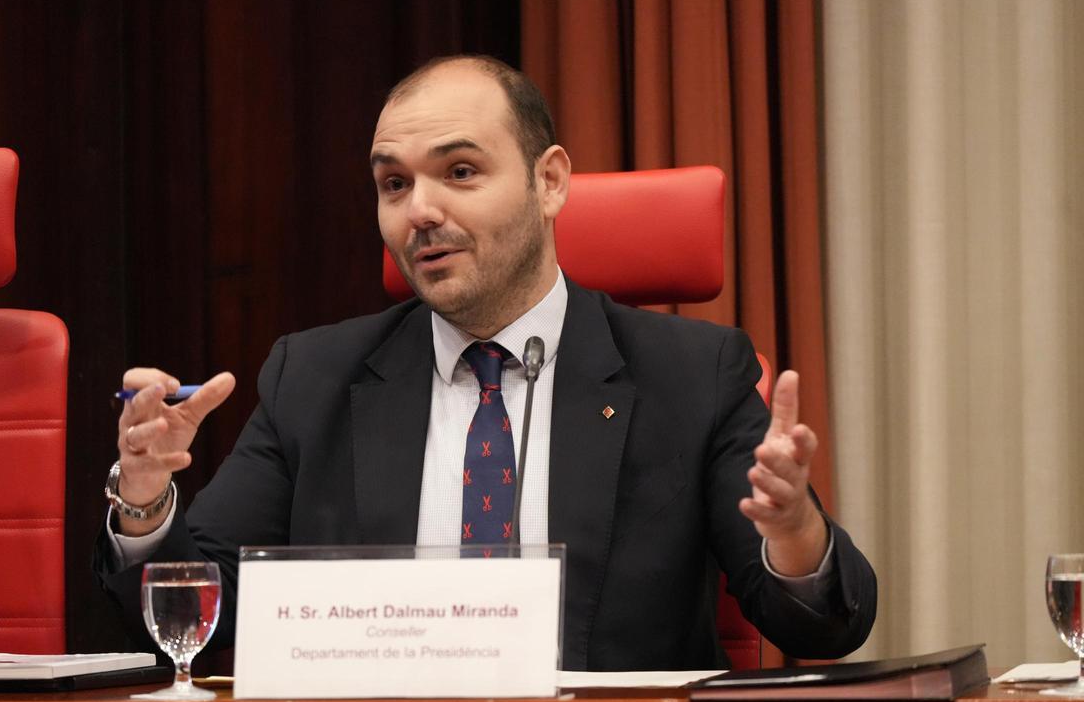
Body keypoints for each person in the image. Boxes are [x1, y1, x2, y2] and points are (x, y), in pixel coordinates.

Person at [95, 55, 876, 670]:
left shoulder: (690, 374)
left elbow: (821, 624)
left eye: (460, 171)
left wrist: (795, 531)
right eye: (393, 183)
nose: (420, 210)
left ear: (549, 181)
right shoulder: (316, 378)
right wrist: (146, 499)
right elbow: (200, 611)